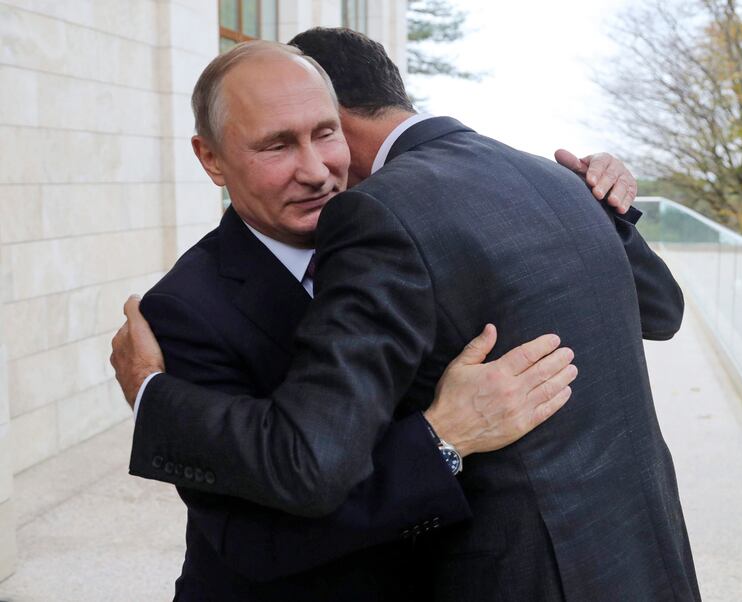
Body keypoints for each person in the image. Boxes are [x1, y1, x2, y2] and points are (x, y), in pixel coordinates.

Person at [112, 31, 697, 601]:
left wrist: (604, 209)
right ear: (211, 159)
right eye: (277, 145)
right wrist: (445, 437)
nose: (317, 170)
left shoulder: (401, 229)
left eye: (326, 134)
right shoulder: (183, 311)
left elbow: (657, 308)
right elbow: (255, 540)